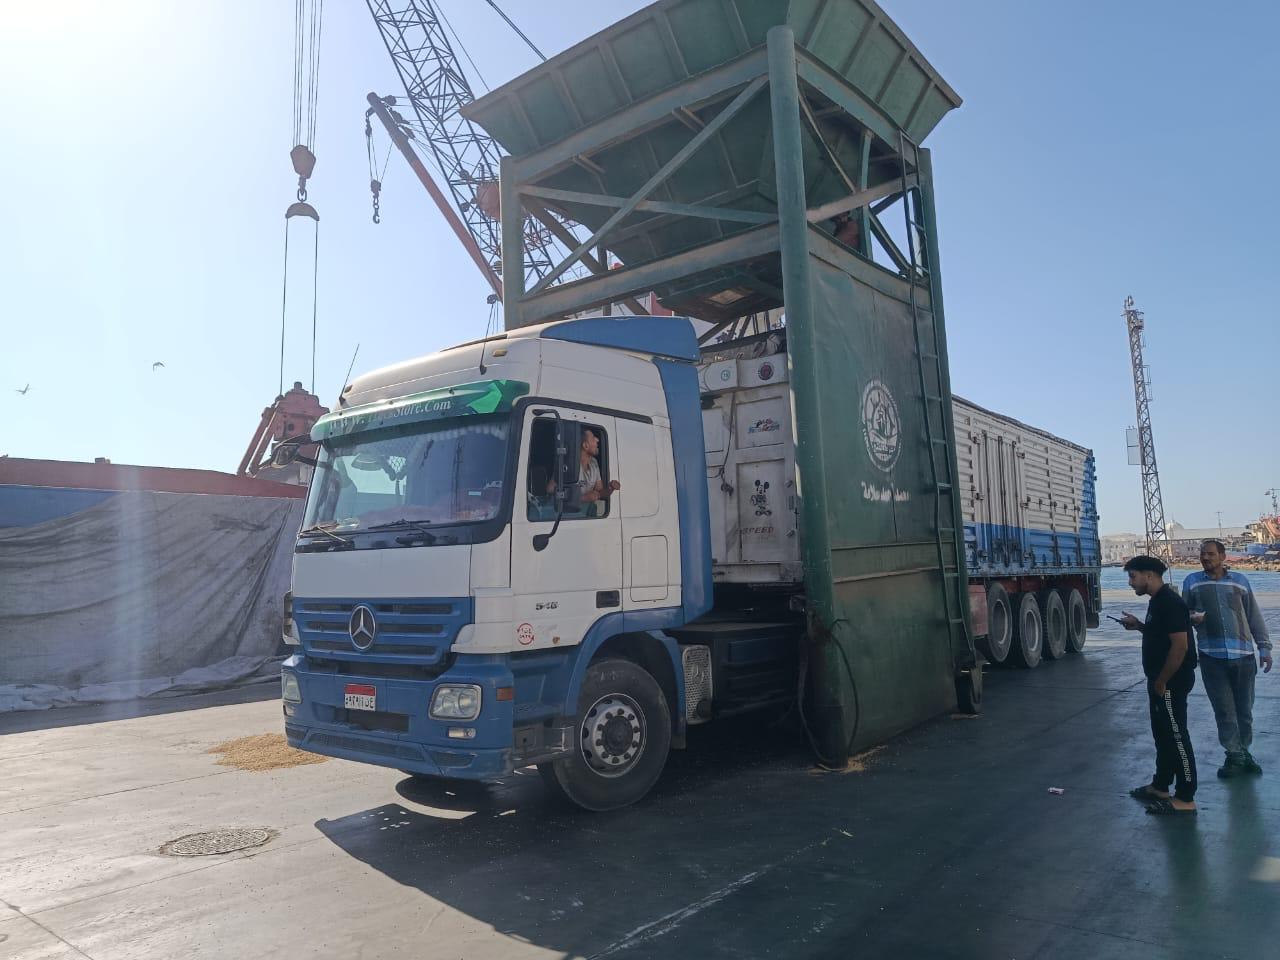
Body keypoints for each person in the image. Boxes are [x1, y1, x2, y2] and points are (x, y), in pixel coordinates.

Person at [1182, 539, 1272, 778]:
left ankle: (1244, 752)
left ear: (1223, 557)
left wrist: (1264, 647)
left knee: (1245, 711)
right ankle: (1233, 755)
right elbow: (1182, 615)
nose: (1205, 558)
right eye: (1203, 554)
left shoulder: (1240, 581)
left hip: (1243, 656)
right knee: (1224, 711)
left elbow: (1253, 615)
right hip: (1212, 658)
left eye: (1210, 554)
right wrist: (1192, 617)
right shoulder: (1191, 582)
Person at [1120, 555, 1199, 815]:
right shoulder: (1157, 601)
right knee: (1162, 733)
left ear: (1149, 575)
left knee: (1176, 735)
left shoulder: (1169, 603)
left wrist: (1163, 680)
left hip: (1171, 681)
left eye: (1133, 576)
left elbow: (1180, 646)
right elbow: (1162, 635)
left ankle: (1185, 797)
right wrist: (1139, 626)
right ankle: (1161, 785)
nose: (1131, 583)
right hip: (1160, 679)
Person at [576, 427, 619, 517]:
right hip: (570, 517)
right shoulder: (570, 463)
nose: (597, 440)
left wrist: (611, 488)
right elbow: (550, 490)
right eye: (593, 438)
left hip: (588, 515)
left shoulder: (594, 462)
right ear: (585, 446)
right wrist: (583, 498)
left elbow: (600, 492)